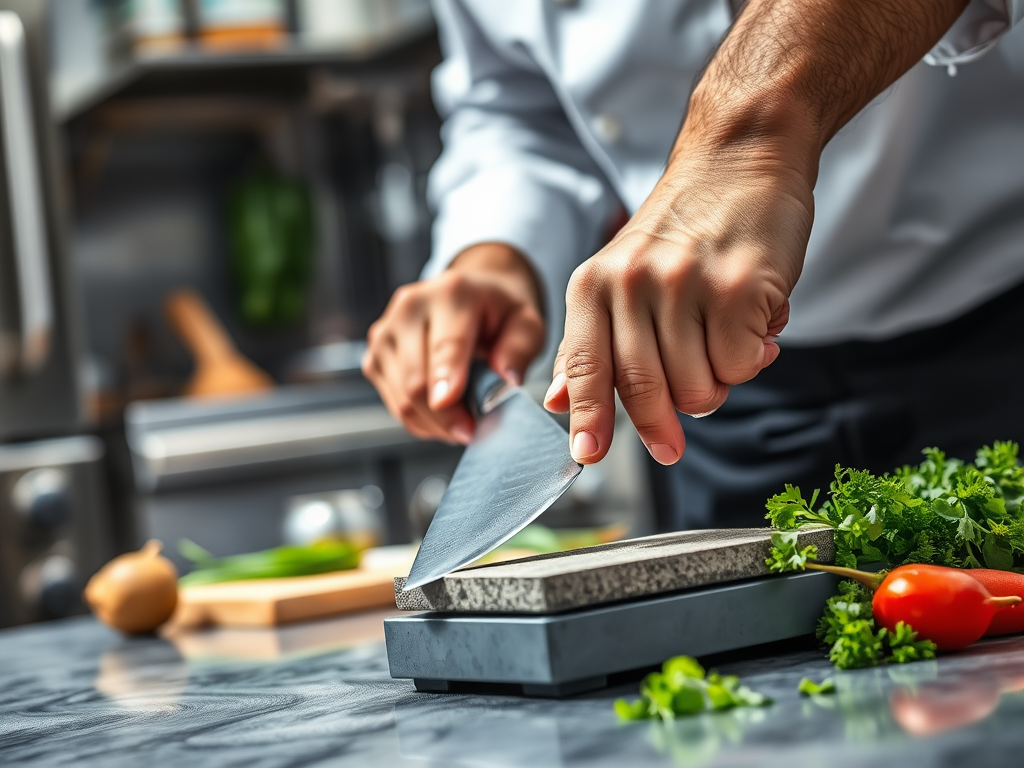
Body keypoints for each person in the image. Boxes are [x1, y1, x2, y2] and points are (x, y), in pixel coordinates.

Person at [362, 0, 1024, 530]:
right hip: (718, 397)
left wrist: (743, 137)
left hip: (998, 320)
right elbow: (519, 103)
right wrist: (495, 250)